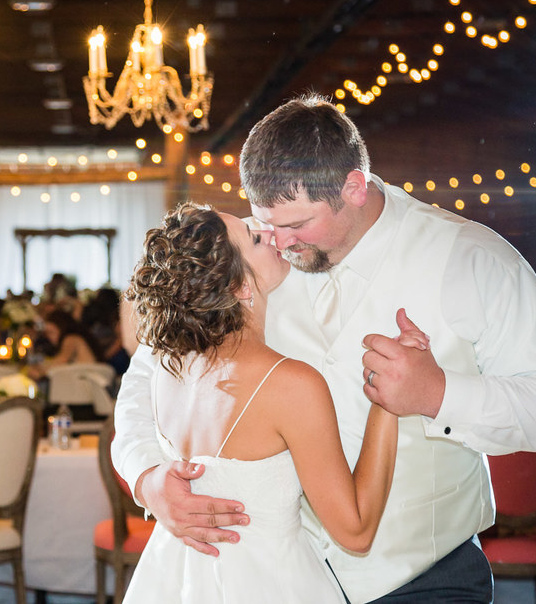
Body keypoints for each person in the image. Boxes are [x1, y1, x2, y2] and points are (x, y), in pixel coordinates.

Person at [112, 95, 536, 603]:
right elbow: (148, 374)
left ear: (354, 188)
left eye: (297, 225)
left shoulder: (472, 258)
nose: (280, 241)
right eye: (265, 222)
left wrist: (439, 393)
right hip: (273, 579)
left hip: (424, 580)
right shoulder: (249, 264)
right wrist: (146, 477)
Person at [119, 203, 419, 602]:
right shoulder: (290, 384)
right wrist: (387, 399)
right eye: (255, 238)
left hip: (178, 577)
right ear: (240, 287)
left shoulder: (172, 366)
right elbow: (356, 530)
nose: (269, 234)